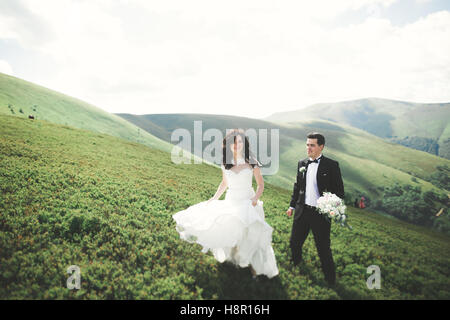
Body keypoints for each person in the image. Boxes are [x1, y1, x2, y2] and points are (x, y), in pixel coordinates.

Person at [173, 129, 279, 279]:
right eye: (233, 142)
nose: (237, 145)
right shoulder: (225, 162)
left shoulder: (252, 161)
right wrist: (214, 198)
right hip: (232, 200)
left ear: (244, 144)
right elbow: (224, 183)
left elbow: (260, 185)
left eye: (240, 142)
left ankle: (255, 268)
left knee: (251, 234)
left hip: (248, 202)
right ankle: (236, 261)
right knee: (232, 231)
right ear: (228, 145)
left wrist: (255, 198)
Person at [286, 132, 344, 287]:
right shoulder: (302, 163)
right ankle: (296, 265)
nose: (308, 148)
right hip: (302, 211)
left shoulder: (332, 165)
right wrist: (292, 205)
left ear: (321, 146)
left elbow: (339, 192)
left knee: (323, 248)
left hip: (320, 215)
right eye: (307, 145)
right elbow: (297, 186)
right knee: (294, 242)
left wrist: (328, 207)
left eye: (312, 145)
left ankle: (330, 280)